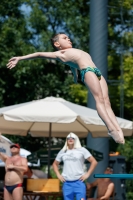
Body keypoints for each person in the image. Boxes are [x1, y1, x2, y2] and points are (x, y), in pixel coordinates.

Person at [6, 32, 124, 144]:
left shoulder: (71, 51)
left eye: (68, 38)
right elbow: (39, 54)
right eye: (64, 38)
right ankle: (111, 128)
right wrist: (20, 58)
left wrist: (74, 74)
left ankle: (118, 129)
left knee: (107, 102)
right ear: (57, 44)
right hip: (87, 71)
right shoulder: (59, 54)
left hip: (97, 72)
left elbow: (72, 63)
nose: (68, 39)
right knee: (99, 100)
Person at [52, 132, 98, 200]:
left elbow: (94, 162)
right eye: (68, 138)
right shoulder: (63, 151)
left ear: (76, 139)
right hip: (67, 183)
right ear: (66, 140)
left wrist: (87, 174)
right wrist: (58, 175)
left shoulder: (82, 150)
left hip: (79, 182)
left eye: (72, 138)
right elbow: (55, 164)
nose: (70, 139)